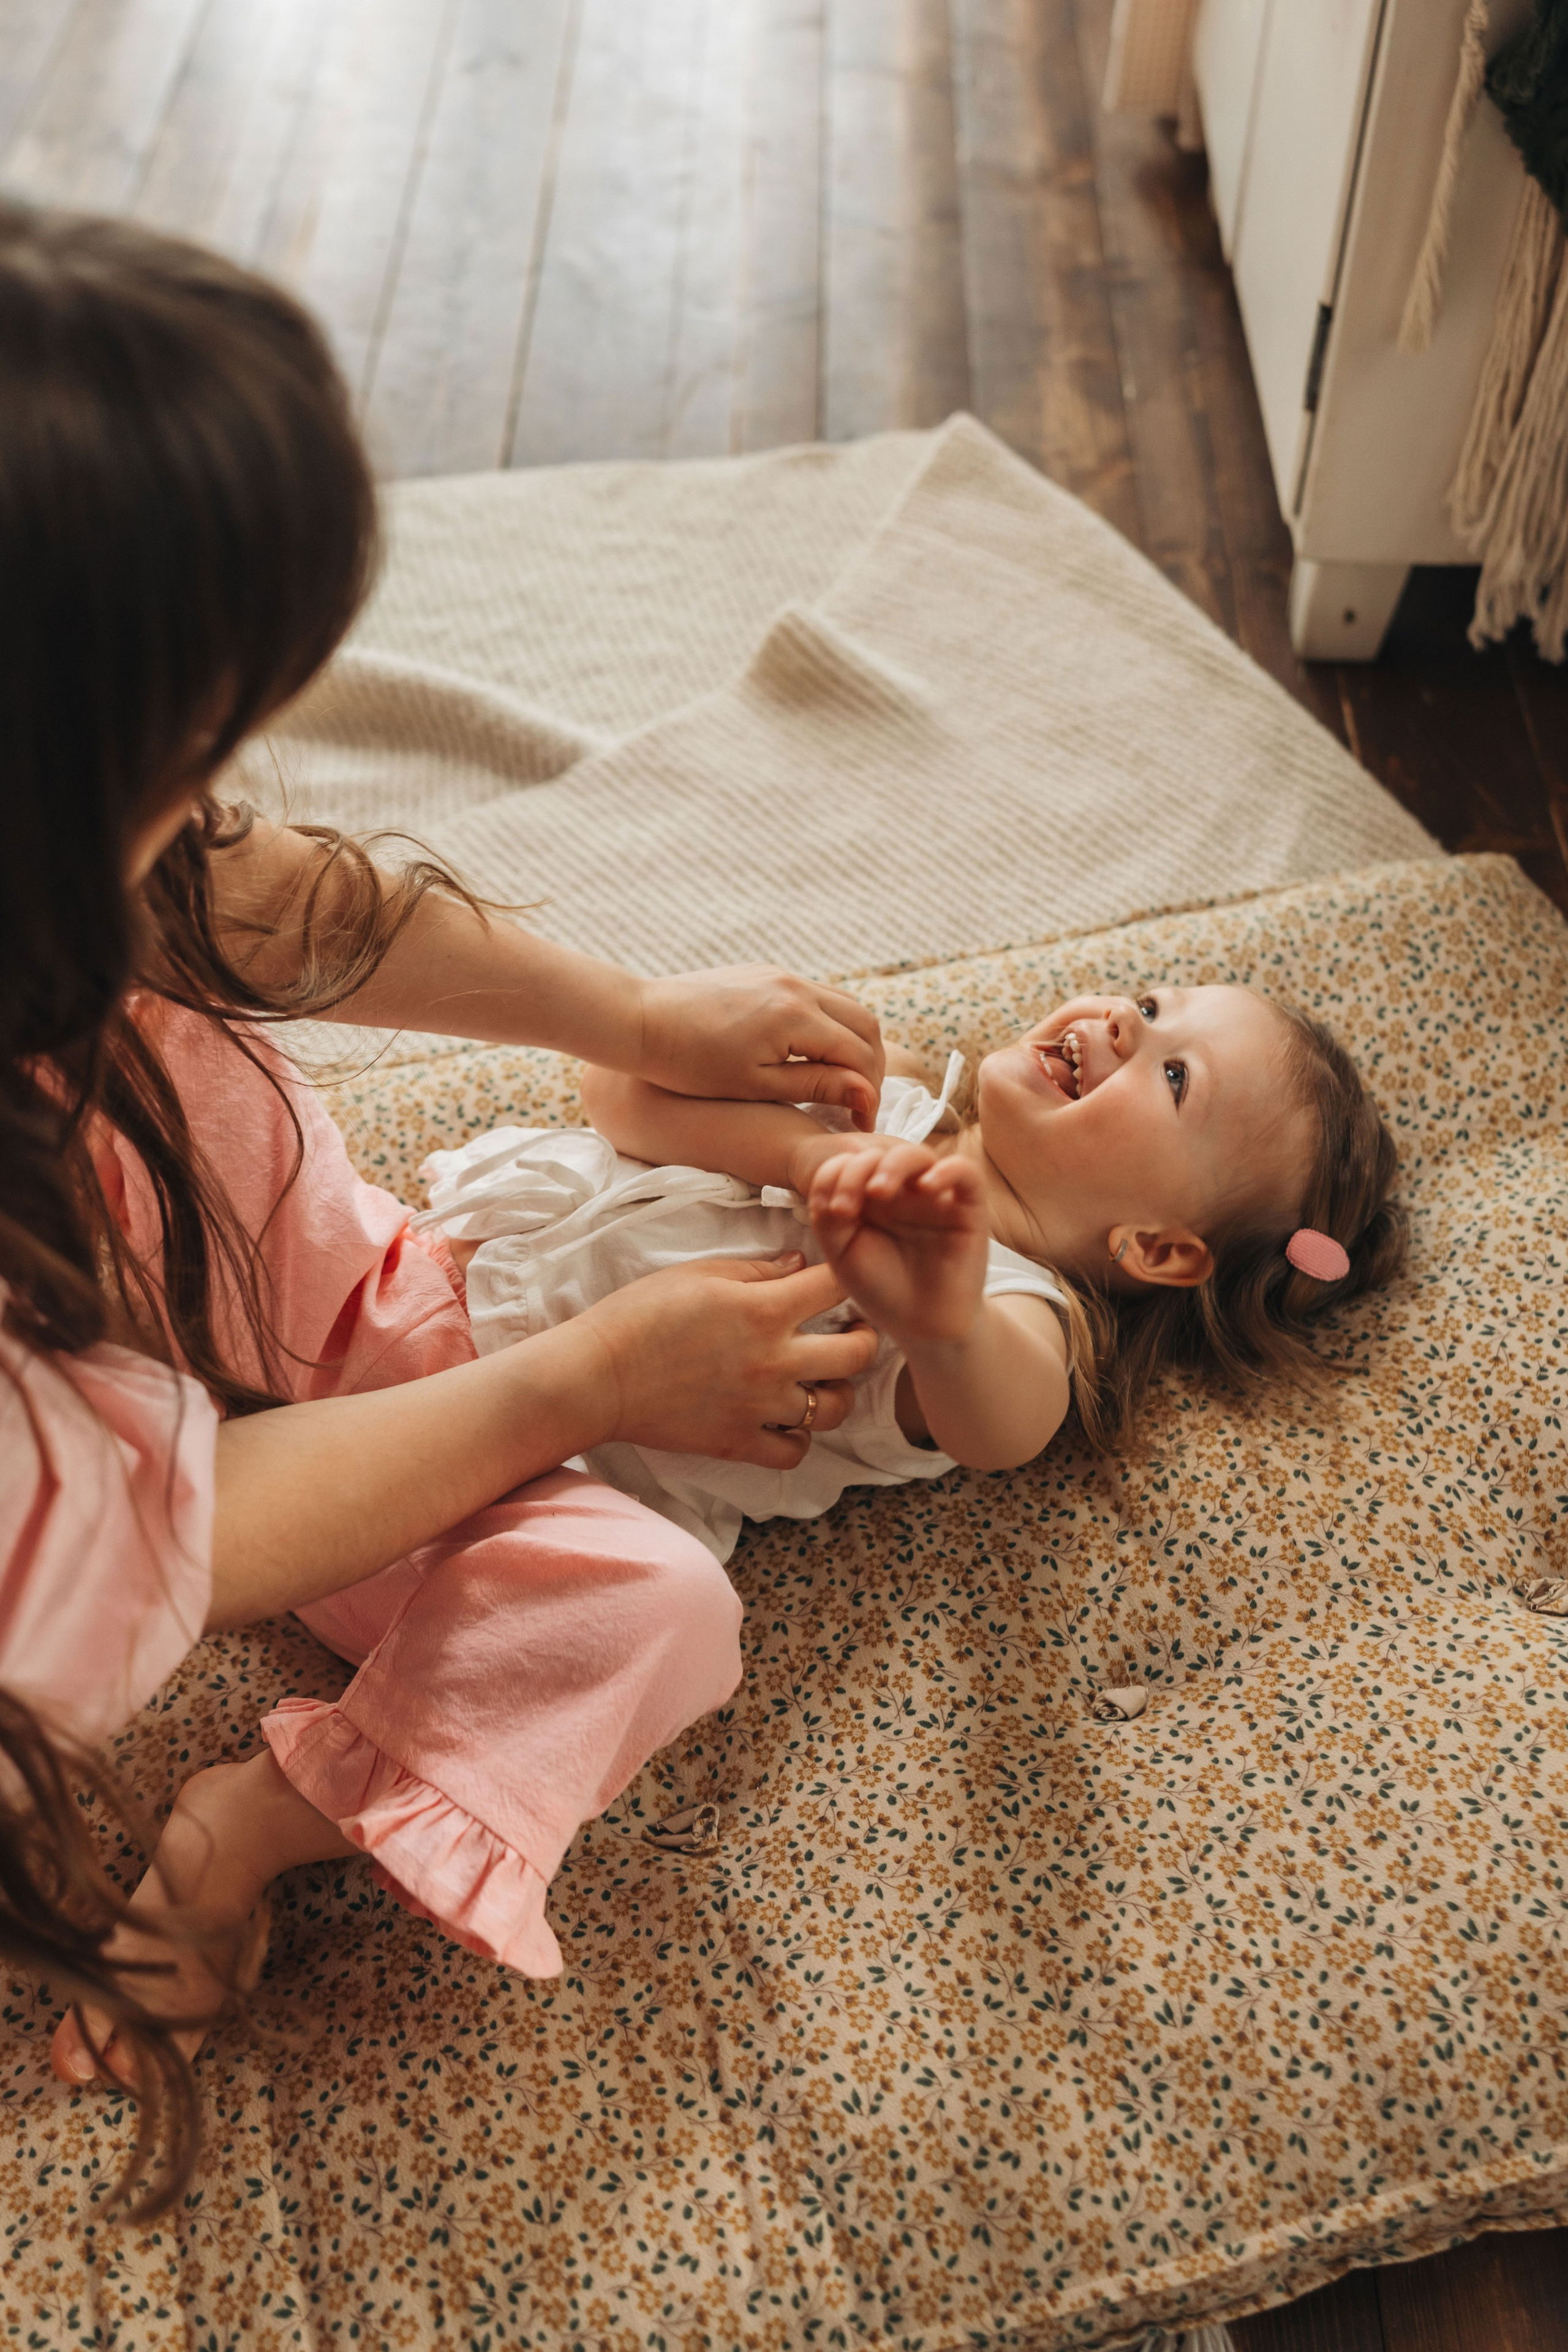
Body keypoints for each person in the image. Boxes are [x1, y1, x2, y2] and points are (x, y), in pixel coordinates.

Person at [0, 200, 891, 2209]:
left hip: (340, 1322)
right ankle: (250, 1828)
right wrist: (588, 1375)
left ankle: (270, 1811)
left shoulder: (103, 888)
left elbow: (271, 903)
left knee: (648, 1600)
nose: (227, 793)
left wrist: (634, 1008)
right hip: (169, 1498)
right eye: (195, 746)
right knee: (654, 1588)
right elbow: (176, 1538)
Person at [405, 976, 1408, 1569]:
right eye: (1150, 1001)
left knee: (658, 1624)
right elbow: (616, 1092)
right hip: (412, 1268)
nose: (1125, 1024)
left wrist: (943, 1313)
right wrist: (798, 1152)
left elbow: (1003, 1426)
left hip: (511, 1484)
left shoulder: (1023, 1313)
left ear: (1154, 1248)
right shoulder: (885, 1095)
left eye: (1175, 1074)